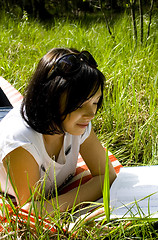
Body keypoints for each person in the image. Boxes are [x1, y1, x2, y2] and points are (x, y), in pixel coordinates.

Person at [0, 48, 116, 215]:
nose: (91, 114)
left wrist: (54, 205)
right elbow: (30, 211)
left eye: (95, 102)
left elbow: (108, 175)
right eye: (80, 105)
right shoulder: (20, 142)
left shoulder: (76, 123)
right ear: (50, 99)